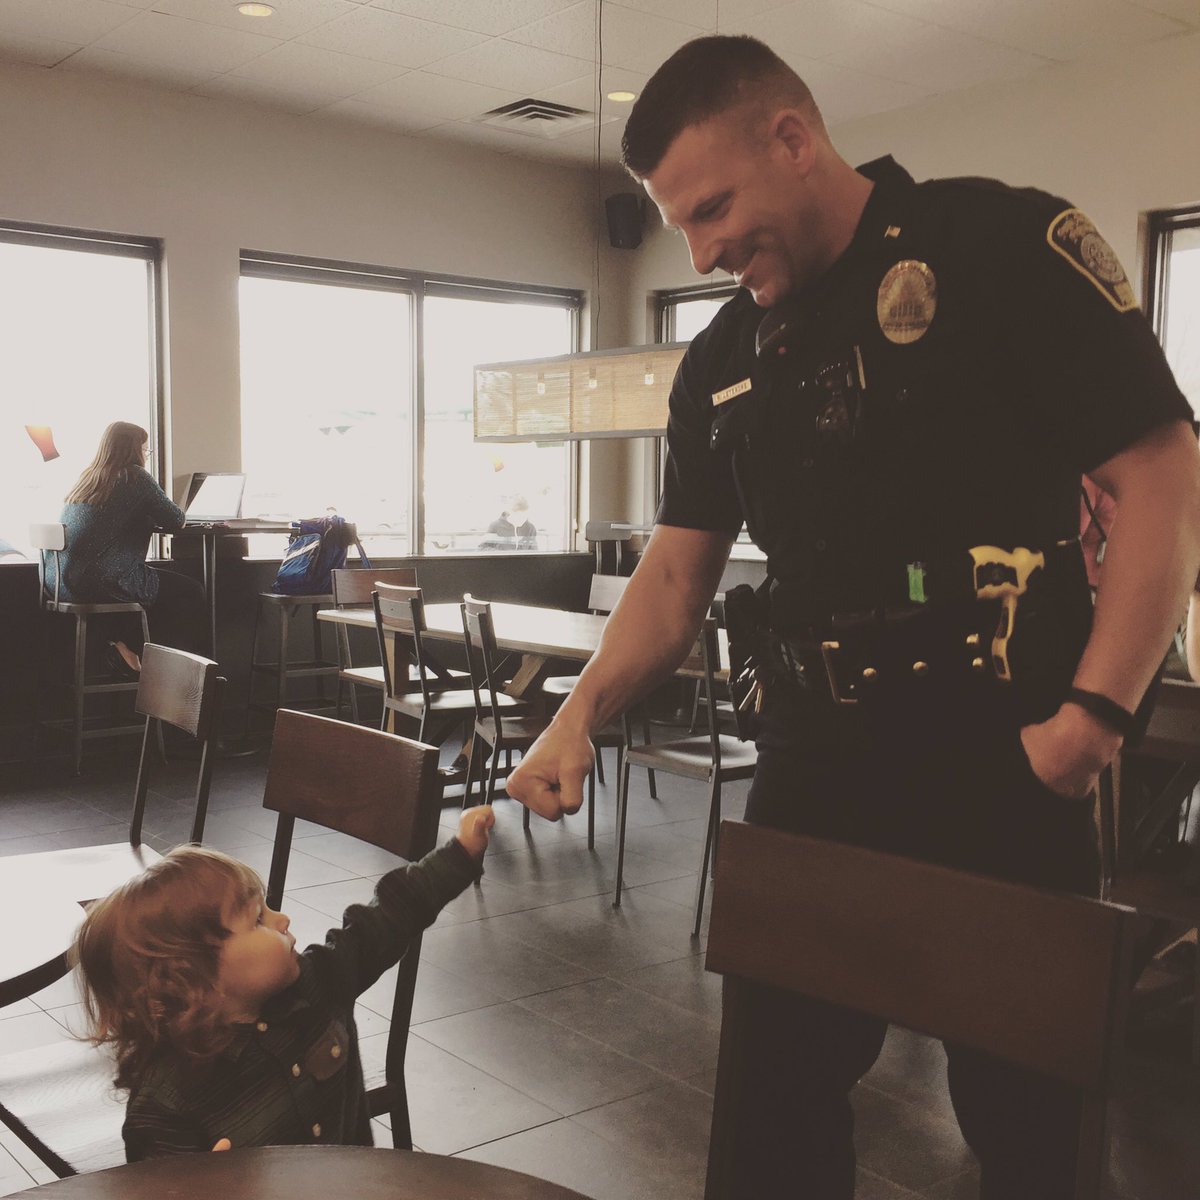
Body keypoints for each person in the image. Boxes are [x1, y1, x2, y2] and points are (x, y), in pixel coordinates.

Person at [506, 34, 1200, 1200]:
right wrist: (579, 713)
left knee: (1030, 1123)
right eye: (682, 226)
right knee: (771, 1112)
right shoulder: (726, 358)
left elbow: (1164, 474)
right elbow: (677, 574)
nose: (706, 247)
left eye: (716, 206)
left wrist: (1090, 721)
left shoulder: (997, 246)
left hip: (1002, 764)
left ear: (795, 137)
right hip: (815, 768)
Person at [74, 805, 495, 1160]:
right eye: (257, 918)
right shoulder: (165, 1108)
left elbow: (388, 916)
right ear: (193, 979)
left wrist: (460, 854)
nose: (282, 919)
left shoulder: (321, 980)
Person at [47, 421, 206, 672]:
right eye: (145, 449)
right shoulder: (135, 476)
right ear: (133, 450)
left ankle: (119, 644)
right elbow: (176, 520)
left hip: (60, 582)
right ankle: (166, 673)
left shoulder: (89, 478)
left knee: (156, 590)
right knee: (191, 591)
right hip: (100, 581)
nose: (145, 455)